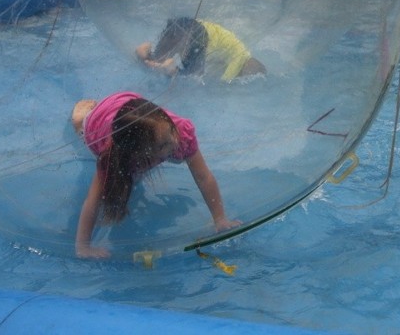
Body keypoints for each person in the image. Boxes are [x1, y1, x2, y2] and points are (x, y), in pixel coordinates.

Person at [71, 92, 240, 258]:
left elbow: (203, 177)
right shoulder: (113, 156)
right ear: (141, 153)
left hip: (130, 106)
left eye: (171, 132)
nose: (175, 141)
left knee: (163, 143)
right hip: (98, 121)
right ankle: (81, 113)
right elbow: (92, 200)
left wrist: (220, 219)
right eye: (164, 144)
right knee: (81, 126)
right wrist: (83, 247)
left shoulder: (178, 131)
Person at [136, 17, 266, 82]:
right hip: (198, 36)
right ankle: (169, 68)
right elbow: (220, 84)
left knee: (155, 57)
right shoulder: (238, 60)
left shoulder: (235, 49)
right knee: (189, 75)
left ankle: (144, 51)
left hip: (186, 24)